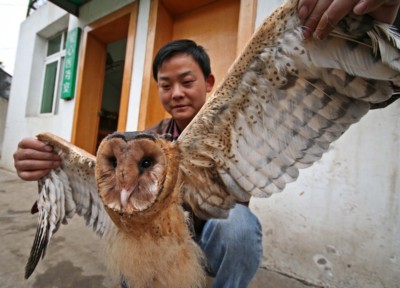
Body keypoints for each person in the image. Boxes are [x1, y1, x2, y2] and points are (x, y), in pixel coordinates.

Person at [13, 1, 400, 286]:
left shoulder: (230, 113)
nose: (176, 93)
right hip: (159, 246)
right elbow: (94, 182)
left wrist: (364, 21)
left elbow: (366, 73)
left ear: (209, 83)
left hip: (212, 235)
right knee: (133, 246)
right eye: (166, 85)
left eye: (187, 80)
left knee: (239, 227)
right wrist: (46, 163)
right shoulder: (141, 141)